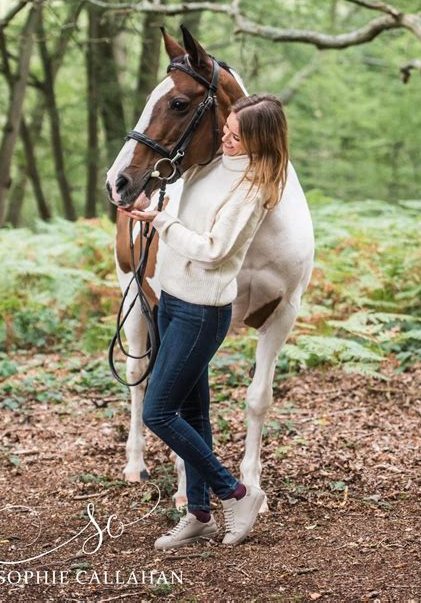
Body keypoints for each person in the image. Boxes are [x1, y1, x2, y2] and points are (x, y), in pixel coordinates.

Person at [119, 93, 289, 550]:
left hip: (203, 311)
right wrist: (149, 208)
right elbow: (175, 199)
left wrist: (162, 223)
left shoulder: (252, 189)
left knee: (158, 410)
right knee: (193, 413)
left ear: (260, 141)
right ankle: (199, 514)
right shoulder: (209, 166)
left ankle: (235, 492)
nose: (226, 141)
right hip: (172, 299)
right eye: (226, 131)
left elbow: (214, 251)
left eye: (236, 137)